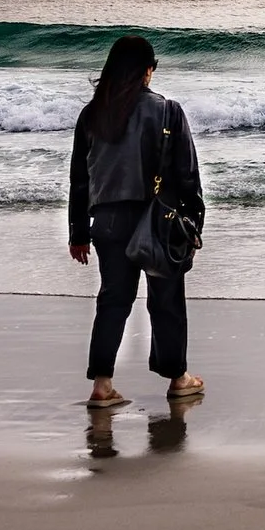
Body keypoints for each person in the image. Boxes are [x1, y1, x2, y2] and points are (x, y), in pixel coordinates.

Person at [67, 34, 206, 409]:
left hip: (108, 221)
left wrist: (78, 232)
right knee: (166, 300)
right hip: (157, 221)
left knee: (113, 300)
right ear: (147, 71)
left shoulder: (92, 114)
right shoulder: (167, 111)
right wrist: (195, 224)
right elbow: (187, 175)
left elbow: (80, 179)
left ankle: (102, 384)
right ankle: (178, 379)